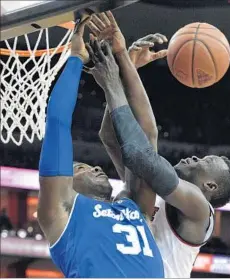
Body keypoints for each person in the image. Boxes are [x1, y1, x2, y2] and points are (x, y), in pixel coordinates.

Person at [86, 12, 230, 278]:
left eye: (205, 162)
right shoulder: (152, 190)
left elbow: (143, 152)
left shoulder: (200, 210)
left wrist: (122, 63)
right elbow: (110, 136)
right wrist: (125, 70)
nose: (195, 157)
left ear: (210, 187)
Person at [37, 16, 164, 278]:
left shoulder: (132, 205)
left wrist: (124, 62)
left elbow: (147, 137)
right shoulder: (60, 214)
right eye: (80, 166)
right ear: (63, 184)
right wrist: (75, 59)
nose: (95, 166)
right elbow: (58, 123)